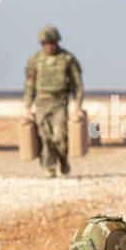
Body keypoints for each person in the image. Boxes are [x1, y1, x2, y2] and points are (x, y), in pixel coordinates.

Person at [23, 25, 84, 177]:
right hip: (41, 102)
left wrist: (78, 105)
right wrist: (27, 107)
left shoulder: (67, 59)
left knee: (59, 136)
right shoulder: (35, 60)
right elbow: (30, 84)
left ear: (57, 42)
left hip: (60, 103)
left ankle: (63, 159)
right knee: (44, 137)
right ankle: (50, 167)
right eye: (46, 43)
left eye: (52, 43)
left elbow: (77, 84)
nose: (49, 46)